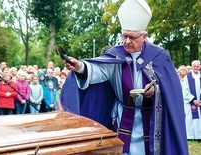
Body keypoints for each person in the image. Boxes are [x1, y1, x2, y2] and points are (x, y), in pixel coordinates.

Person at [60, 0, 188, 154]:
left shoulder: (159, 56)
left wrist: (156, 90)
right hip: (123, 118)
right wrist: (79, 66)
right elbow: (97, 70)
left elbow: (171, 89)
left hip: (151, 119)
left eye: (132, 37)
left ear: (144, 36)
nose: (127, 41)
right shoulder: (116, 55)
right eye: (124, 36)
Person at [182, 60, 201, 141]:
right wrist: (193, 100)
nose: (196, 68)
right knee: (191, 120)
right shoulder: (187, 77)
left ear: (200, 66)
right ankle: (191, 136)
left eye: (197, 66)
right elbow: (184, 91)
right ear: (192, 66)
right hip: (192, 103)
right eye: (194, 66)